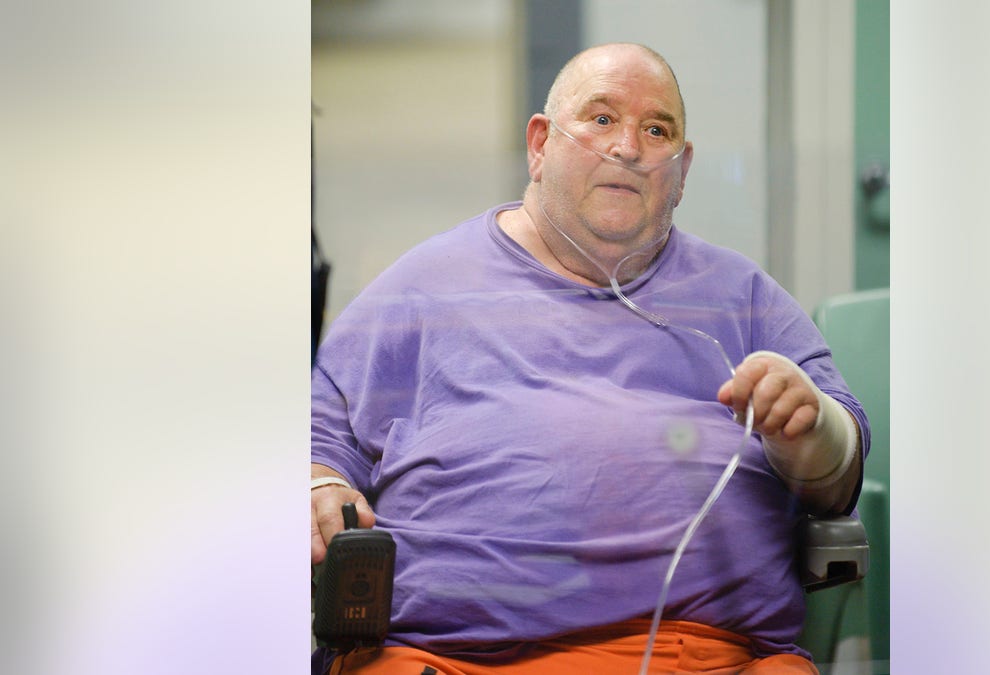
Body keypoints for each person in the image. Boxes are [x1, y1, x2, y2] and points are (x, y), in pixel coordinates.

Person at [311, 42, 869, 674]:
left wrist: (810, 426)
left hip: (706, 658)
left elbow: (839, 474)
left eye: (655, 130)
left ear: (682, 171)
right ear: (541, 143)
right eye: (601, 119)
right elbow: (318, 421)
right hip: (452, 658)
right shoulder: (430, 286)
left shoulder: (740, 298)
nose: (627, 147)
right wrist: (320, 479)